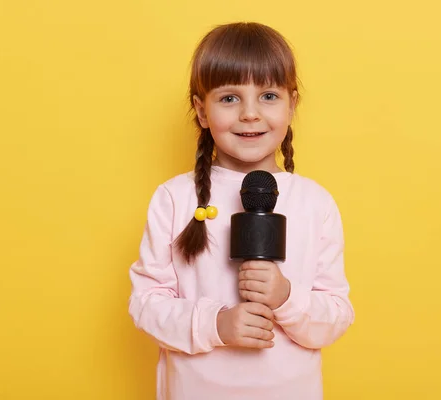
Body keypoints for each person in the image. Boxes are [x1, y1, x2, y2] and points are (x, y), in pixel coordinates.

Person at [128, 21, 355, 400]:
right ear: (201, 111)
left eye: (268, 96)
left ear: (292, 104)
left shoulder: (316, 204)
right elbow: (146, 306)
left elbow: (336, 316)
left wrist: (286, 296)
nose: (250, 113)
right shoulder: (174, 198)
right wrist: (217, 323)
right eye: (230, 98)